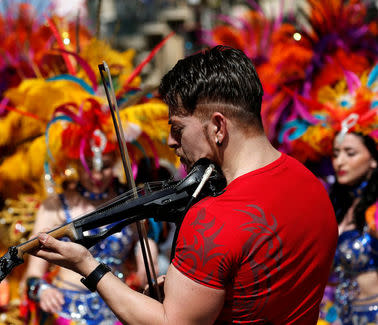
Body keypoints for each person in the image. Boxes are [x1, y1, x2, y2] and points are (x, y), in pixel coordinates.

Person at [30, 45, 338, 324]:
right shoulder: (312, 186)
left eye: (178, 128)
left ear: (218, 126)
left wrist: (88, 266)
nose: (170, 142)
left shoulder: (213, 217)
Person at [23, 129, 159, 324]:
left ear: (115, 163)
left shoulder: (131, 202)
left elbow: (145, 245)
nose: (97, 175)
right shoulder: (54, 207)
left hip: (119, 310)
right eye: (89, 167)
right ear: (77, 164)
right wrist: (42, 290)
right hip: (67, 312)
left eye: (104, 166)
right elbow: (33, 275)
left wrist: (147, 247)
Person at [326, 129, 378, 324]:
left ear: (373, 159)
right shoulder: (339, 208)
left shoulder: (375, 211)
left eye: (350, 153)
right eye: (336, 153)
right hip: (340, 316)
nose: (339, 162)